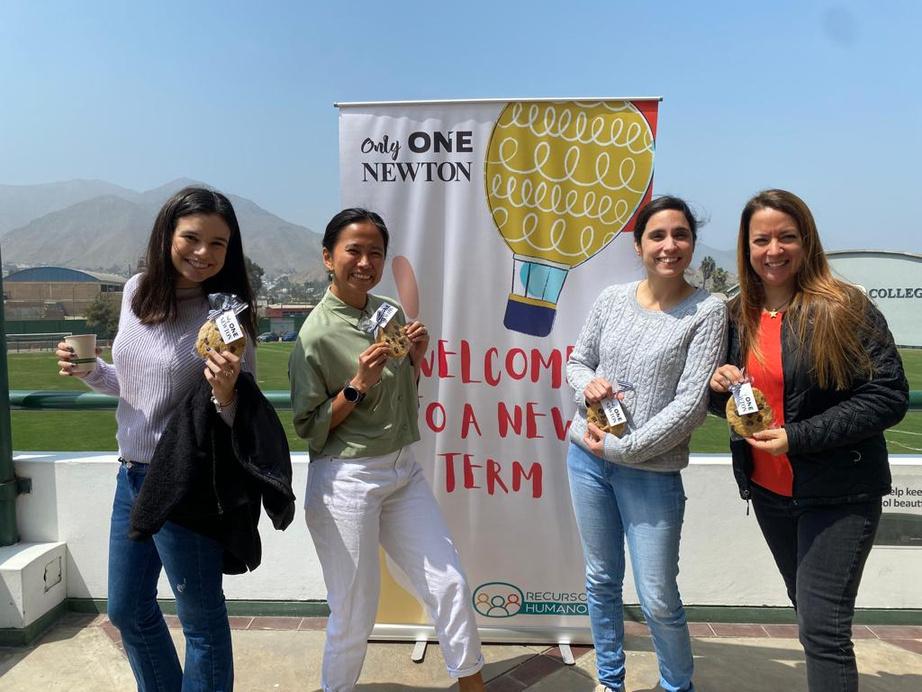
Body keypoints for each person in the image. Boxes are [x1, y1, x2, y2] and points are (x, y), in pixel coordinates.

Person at [56, 186, 260, 691]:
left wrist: (226, 391)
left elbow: (243, 415)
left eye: (218, 244)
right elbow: (133, 382)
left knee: (201, 622)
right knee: (127, 609)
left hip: (188, 480)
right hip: (132, 475)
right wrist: (88, 371)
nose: (203, 252)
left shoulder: (227, 318)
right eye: (192, 237)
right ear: (167, 235)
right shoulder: (136, 291)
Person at [709, 189, 908, 691]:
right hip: (771, 494)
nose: (773, 250)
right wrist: (718, 388)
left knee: (823, 629)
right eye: (761, 240)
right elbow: (732, 406)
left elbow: (887, 396)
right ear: (746, 248)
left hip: (839, 495)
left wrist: (797, 437)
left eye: (787, 237)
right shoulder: (737, 314)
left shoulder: (844, 307)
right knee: (810, 616)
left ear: (807, 241)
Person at [288, 208, 485, 692]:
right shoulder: (315, 334)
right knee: (354, 611)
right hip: (346, 478)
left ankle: (473, 686)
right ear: (328, 257)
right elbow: (310, 427)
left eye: (375, 252)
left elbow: (404, 392)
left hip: (402, 470)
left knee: (450, 584)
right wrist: (357, 383)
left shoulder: (389, 312)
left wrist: (415, 358)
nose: (365, 262)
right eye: (353, 251)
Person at [566, 196, 727, 692]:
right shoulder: (612, 299)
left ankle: (676, 686)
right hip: (586, 460)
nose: (669, 245)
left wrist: (621, 450)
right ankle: (610, 680)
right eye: (657, 236)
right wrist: (587, 385)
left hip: (652, 473)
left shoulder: (708, 311)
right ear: (639, 246)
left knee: (657, 596)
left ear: (692, 244)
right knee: (601, 579)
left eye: (680, 235)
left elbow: (690, 406)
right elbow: (577, 361)